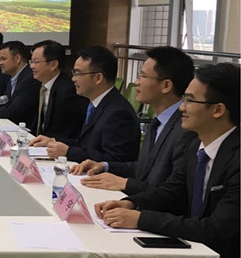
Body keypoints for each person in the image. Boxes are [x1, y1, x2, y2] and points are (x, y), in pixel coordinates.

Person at [95, 63, 239, 258]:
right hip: (202, 256)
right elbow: (172, 191)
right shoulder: (196, 145)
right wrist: (131, 204)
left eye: (190, 100)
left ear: (218, 110)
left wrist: (141, 219)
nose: (182, 107)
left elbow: (218, 230)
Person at [73, 46, 197, 194]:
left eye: (142, 76)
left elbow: (174, 191)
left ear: (166, 86)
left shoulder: (185, 130)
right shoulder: (158, 122)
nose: (136, 82)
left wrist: (126, 184)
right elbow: (144, 167)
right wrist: (105, 166)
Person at [30, 45, 140, 162]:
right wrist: (53, 142)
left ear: (98, 78)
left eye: (78, 73)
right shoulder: (96, 103)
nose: (73, 79)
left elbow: (114, 160)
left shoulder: (119, 113)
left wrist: (68, 152)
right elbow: (85, 145)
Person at [30, 40, 88, 139]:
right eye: (31, 61)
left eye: (36, 62)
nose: (31, 66)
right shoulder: (42, 85)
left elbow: (71, 131)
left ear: (53, 65)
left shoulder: (69, 91)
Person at [0, 41, 41, 128]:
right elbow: (4, 102)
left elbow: (11, 111)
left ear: (17, 58)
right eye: (0, 59)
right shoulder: (14, 77)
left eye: (3, 59)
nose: (0, 63)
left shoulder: (30, 79)